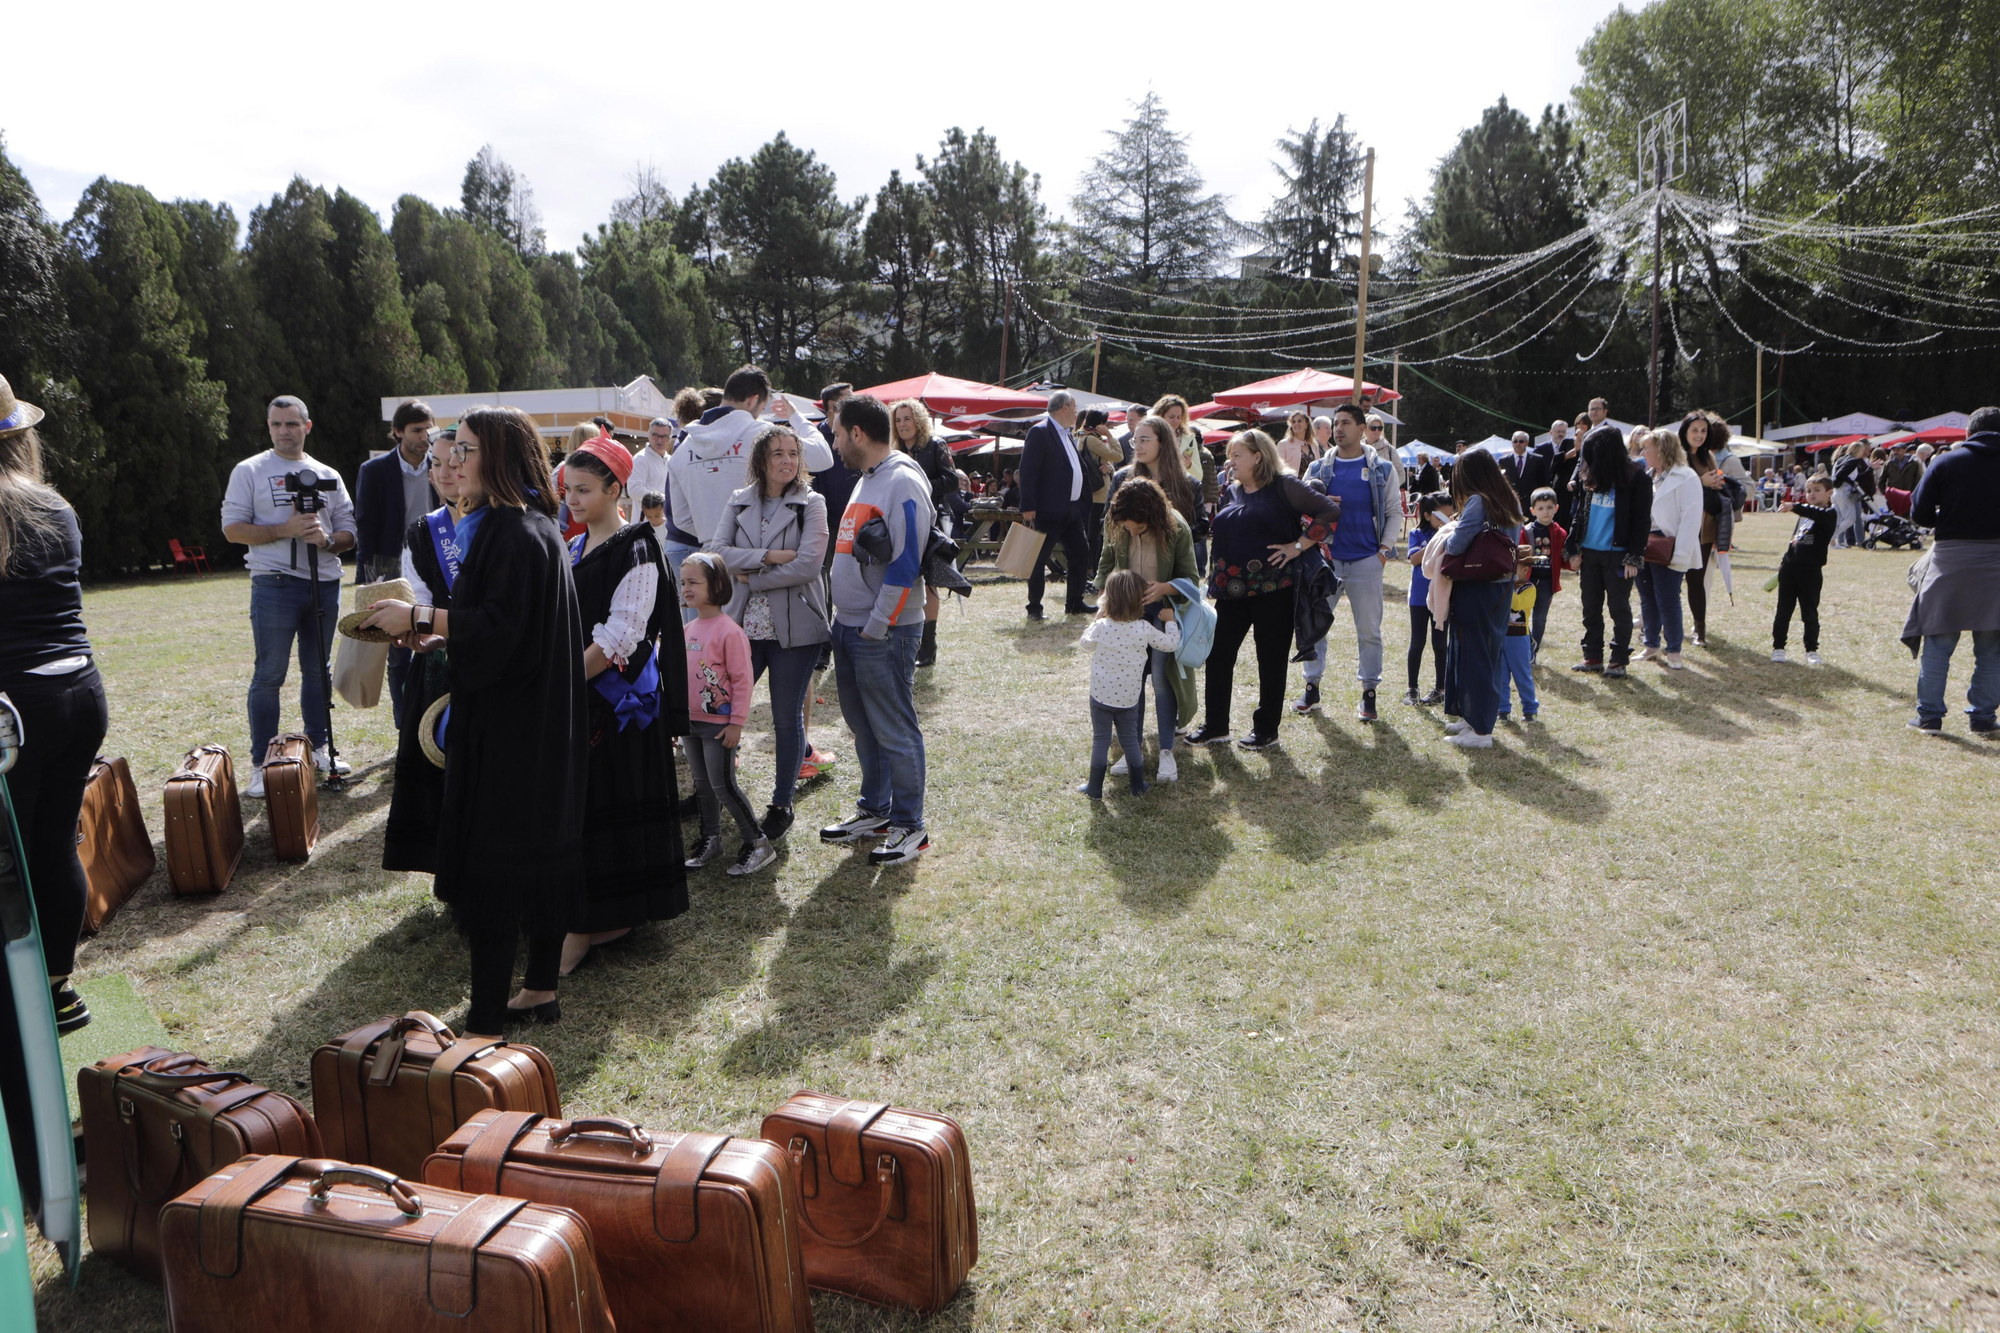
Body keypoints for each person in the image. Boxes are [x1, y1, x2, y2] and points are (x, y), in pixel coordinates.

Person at [360, 406, 586, 1037]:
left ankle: (487, 1019)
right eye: (450, 450)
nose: (451, 461)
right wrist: (440, 638)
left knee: (496, 867)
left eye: (464, 450)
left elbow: (500, 628)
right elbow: (506, 627)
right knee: (540, 854)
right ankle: (540, 988)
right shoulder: (534, 526)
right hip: (537, 718)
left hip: (511, 728)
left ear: (500, 457)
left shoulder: (509, 533)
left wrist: (422, 621)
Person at [0, 376, 109, 1039]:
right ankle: (57, 989)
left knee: (12, 856)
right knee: (54, 843)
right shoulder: (55, 506)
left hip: (19, 707)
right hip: (79, 692)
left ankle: (22, 1001)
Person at [558, 437, 690, 968]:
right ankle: (589, 916)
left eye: (585, 490)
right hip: (580, 699)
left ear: (616, 489)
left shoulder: (637, 545)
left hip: (617, 708)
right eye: (568, 489)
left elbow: (625, 634)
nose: (573, 499)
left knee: (608, 808)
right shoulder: (572, 546)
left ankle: (599, 922)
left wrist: (562, 677)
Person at [219, 395, 357, 796]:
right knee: (269, 674)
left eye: (292, 423)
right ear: (268, 427)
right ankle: (263, 761)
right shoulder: (250, 470)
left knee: (318, 670)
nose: (284, 431)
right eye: (277, 424)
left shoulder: (325, 472)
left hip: (323, 582)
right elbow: (232, 529)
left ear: (307, 426)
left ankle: (321, 748)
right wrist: (286, 528)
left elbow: (349, 530)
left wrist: (327, 540)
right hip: (273, 583)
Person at [820, 394, 932, 864]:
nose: (834, 441)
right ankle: (876, 810)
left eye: (837, 432)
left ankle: (910, 825)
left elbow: (906, 564)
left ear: (858, 434)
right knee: (864, 726)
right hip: (851, 627)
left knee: (894, 727)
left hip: (881, 632)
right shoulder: (866, 480)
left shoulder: (901, 481)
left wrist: (876, 625)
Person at [706, 422, 830, 842]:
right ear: (761, 460)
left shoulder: (812, 503)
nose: (787, 461)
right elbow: (717, 552)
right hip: (743, 625)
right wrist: (771, 555)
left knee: (785, 716)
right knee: (722, 708)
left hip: (796, 627)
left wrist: (753, 576)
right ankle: (713, 793)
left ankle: (782, 803)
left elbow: (809, 564)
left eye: (793, 453)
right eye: (778, 453)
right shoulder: (739, 500)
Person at [1185, 430, 1340, 751]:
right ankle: (1216, 726)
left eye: (1237, 454)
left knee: (1270, 661)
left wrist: (1298, 546)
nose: (1230, 460)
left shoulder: (1284, 486)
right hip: (1230, 592)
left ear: (1258, 456)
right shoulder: (1231, 491)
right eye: (1230, 454)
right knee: (1219, 656)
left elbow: (1329, 511)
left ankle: (1266, 730)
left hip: (1275, 590)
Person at [669, 366, 833, 618]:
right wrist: (797, 417)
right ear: (753, 399)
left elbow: (681, 518)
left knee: (716, 652)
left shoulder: (683, 449)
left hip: (713, 564)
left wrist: (718, 532)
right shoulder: (764, 436)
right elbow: (824, 456)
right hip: (767, 570)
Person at [381, 429, 462, 874]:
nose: (445, 472)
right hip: (438, 665)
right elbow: (420, 596)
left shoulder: (504, 524)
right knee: (436, 759)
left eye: (455, 461)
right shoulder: (423, 530)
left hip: (485, 654)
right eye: (436, 463)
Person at [1298, 402, 1400, 720]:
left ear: (1361, 429)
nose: (1338, 428)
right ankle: (1311, 689)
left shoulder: (1382, 468)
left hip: (1367, 561)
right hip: (1324, 562)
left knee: (1369, 631)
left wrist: (1383, 552)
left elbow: (1395, 511)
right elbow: (1299, 512)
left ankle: (1369, 694)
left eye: (1345, 423)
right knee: (1315, 626)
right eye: (1335, 423)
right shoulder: (1318, 470)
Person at [1902, 406, 2000, 734]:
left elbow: (1920, 512)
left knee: (1939, 643)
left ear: (1969, 433)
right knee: (1992, 649)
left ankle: (1929, 717)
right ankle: (1983, 718)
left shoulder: (1945, 461)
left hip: (1950, 561)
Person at [1095, 477, 1198, 780]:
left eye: (1137, 528)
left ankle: (1167, 751)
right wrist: (1102, 596)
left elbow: (1193, 579)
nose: (1131, 532)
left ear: (1151, 516)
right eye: (1127, 528)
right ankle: (1132, 748)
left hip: (1163, 612)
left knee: (1162, 680)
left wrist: (1166, 587)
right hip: (1126, 611)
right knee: (1131, 681)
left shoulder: (1176, 527)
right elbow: (1106, 562)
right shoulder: (1117, 523)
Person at [678, 552, 776, 873]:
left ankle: (758, 843)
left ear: (717, 585)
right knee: (702, 784)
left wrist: (737, 723)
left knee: (723, 785)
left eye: (694, 582)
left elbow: (743, 681)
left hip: (720, 726)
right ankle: (712, 838)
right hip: (691, 724)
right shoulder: (687, 628)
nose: (686, 588)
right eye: (683, 582)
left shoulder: (729, 631)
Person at [354, 399, 439, 727]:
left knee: (436, 642)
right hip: (391, 570)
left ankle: (434, 726)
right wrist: (370, 581)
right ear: (397, 432)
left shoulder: (440, 465)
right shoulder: (373, 471)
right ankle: (405, 727)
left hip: (434, 564)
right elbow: (366, 527)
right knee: (400, 651)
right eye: (417, 430)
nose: (424, 437)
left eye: (428, 429)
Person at [1437, 449, 1526, 749]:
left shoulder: (1479, 500)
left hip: (1477, 585)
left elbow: (1457, 543)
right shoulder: (1508, 498)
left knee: (1474, 654)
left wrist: (1447, 531)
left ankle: (1480, 730)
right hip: (1501, 585)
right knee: (1486, 652)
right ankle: (1472, 718)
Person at [1079, 570, 1179, 798]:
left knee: (1101, 740)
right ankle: (1137, 785)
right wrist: (1170, 621)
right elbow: (1171, 644)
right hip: (1128, 699)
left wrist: (1096, 618)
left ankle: (1094, 788)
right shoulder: (1143, 629)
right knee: (1131, 742)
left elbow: (1085, 644)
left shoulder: (1101, 626)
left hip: (1100, 696)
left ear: (1108, 600)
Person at [1568, 424, 1648, 678]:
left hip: (1620, 555)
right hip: (1589, 553)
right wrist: (1572, 549)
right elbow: (1578, 516)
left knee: (1618, 608)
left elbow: (1641, 522)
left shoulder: (1637, 478)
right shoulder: (1588, 477)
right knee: (1590, 607)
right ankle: (1592, 656)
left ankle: (1618, 658)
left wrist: (1634, 557)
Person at [891, 398, 957, 667]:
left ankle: (928, 645)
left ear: (918, 420)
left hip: (930, 524)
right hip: (899, 523)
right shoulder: (892, 450)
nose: (903, 424)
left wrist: (918, 484)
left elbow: (951, 480)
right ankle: (909, 640)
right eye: (898, 420)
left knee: (930, 584)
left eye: (907, 418)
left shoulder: (935, 445)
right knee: (903, 581)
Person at [1018, 390, 1094, 619]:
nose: (1077, 413)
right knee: (1038, 560)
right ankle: (1034, 608)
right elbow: (1028, 470)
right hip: (1048, 510)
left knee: (1081, 553)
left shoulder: (1068, 434)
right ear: (1065, 407)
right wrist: (1028, 505)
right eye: (1075, 408)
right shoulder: (1040, 432)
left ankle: (1074, 603)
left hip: (1072, 510)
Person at [1636, 428, 1702, 670]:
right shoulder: (1647, 476)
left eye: (1646, 447)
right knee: (1647, 598)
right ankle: (1651, 644)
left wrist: (1681, 554)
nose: (1643, 452)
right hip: (1644, 545)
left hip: (1669, 546)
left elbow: (1691, 519)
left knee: (1668, 599)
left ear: (1661, 449)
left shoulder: (1687, 477)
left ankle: (1673, 649)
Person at [1679, 411, 1738, 648]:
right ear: (1685, 431)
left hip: (1705, 527)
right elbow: (1673, 486)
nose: (1700, 435)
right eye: (1695, 430)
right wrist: (1700, 481)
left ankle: (1699, 629)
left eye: (1704, 430)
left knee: (1697, 579)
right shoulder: (1676, 455)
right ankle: (1657, 624)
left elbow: (1713, 488)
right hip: (1680, 526)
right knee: (1671, 579)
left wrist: (1716, 483)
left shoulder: (1709, 457)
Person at [1772, 476, 1837, 665]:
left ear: (1829, 493)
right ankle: (1778, 647)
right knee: (1783, 610)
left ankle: (1811, 650)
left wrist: (1794, 506)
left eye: (1817, 490)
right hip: (1790, 569)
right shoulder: (1804, 515)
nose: (1812, 494)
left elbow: (1814, 512)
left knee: (1809, 612)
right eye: (1809, 491)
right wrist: (1785, 561)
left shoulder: (1829, 514)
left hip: (1811, 572)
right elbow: (1795, 540)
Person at [1404, 492, 1454, 705]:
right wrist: (1436, 541)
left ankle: (1440, 689)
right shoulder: (1417, 534)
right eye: (1440, 517)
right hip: (1418, 598)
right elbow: (1414, 559)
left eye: (1450, 517)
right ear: (1426, 515)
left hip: (1442, 596)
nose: (1446, 522)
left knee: (1440, 643)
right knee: (1417, 642)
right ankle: (1412, 688)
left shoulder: (1454, 535)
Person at [1074, 408, 1123, 577]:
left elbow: (1105, 462)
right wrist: (1109, 436)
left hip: (1088, 492)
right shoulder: (1093, 440)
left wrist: (1108, 467)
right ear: (1100, 425)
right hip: (1099, 493)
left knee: (1091, 533)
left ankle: (1089, 569)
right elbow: (1118, 455)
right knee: (1095, 536)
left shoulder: (1080, 436)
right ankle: (1090, 570)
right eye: (1105, 423)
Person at [1522, 487, 1567, 658]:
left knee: (1540, 619)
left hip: (1547, 583)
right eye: (1540, 508)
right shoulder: (1526, 532)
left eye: (1549, 507)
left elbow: (1562, 559)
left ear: (1556, 508)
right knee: (1522, 618)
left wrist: (1573, 563)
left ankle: (1533, 652)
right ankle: (1523, 649)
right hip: (1527, 581)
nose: (1545, 512)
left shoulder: (1560, 533)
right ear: (1533, 511)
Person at [1496, 577, 1539, 722]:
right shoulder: (1500, 585)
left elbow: (1516, 604)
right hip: (1500, 636)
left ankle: (1529, 709)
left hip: (1519, 638)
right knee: (1500, 675)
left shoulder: (1529, 588)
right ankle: (1502, 709)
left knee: (1522, 675)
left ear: (1526, 570)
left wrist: (1504, 585)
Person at [627, 415, 675, 528]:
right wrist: (663, 499)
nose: (659, 440)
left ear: (670, 438)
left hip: (666, 524)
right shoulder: (641, 459)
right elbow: (634, 489)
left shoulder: (671, 460)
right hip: (645, 525)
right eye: (655, 435)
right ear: (649, 435)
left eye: (664, 436)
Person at [1832, 440, 1875, 547]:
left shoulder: (1841, 459)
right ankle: (1831, 537)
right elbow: (1840, 475)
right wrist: (1852, 483)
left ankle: (1833, 541)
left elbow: (1850, 475)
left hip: (1836, 493)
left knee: (1840, 519)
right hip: (1844, 493)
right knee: (1850, 520)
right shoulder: (1853, 461)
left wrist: (1870, 469)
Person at [1499, 430, 1551, 509]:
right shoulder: (1504, 460)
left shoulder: (1537, 459)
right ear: (1512, 443)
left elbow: (1543, 481)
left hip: (1532, 501)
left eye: (1521, 441)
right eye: (1515, 441)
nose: (1518, 444)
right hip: (1511, 501)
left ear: (1527, 443)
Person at [1277, 411, 1313, 475]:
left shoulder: (1314, 445)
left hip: (1311, 484)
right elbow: (1279, 469)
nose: (1296, 424)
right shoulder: (1283, 444)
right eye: (1293, 422)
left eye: (1299, 421)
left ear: (1306, 424)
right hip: (1292, 483)